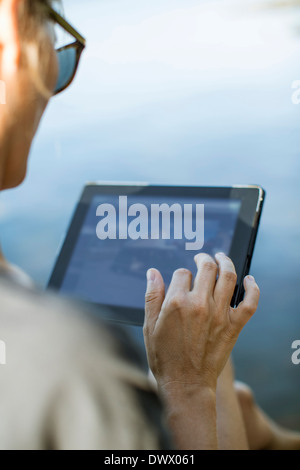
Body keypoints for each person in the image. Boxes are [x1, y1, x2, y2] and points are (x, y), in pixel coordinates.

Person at [0, 0, 299, 450]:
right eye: (60, 58)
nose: (48, 96)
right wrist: (188, 391)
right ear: (12, 36)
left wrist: (250, 426)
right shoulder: (67, 366)